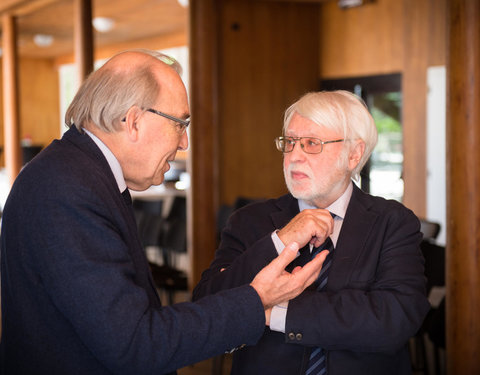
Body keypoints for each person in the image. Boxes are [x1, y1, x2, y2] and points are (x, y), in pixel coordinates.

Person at [0, 50, 329, 375]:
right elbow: (135, 344)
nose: (184, 142)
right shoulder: (69, 190)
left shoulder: (80, 175)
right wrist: (258, 300)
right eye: (180, 124)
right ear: (133, 121)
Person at [193, 90, 430, 375]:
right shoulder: (249, 221)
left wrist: (271, 311)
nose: (294, 156)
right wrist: (281, 240)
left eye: (311, 144)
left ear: (354, 154)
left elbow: (395, 317)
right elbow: (206, 306)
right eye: (290, 142)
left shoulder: (393, 222)